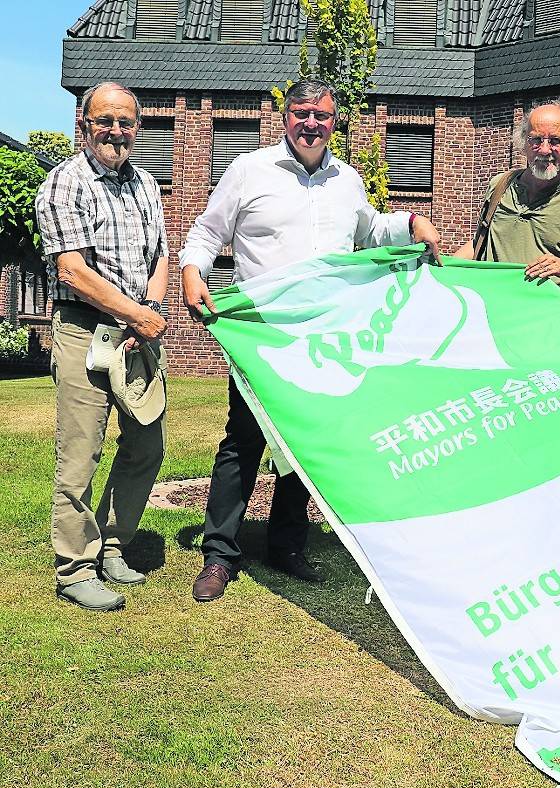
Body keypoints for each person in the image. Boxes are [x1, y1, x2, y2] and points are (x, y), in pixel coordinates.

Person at [180, 78, 442, 601]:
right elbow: (208, 232)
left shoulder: (348, 180)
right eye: (302, 113)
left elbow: (369, 232)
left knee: (306, 441)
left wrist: (412, 221)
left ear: (334, 120)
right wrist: (192, 272)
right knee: (244, 440)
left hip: (324, 337)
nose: (311, 124)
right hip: (263, 337)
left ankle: (287, 547)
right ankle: (219, 554)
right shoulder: (249, 169)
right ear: (286, 116)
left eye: (321, 115)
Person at [35, 82, 169, 611]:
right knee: (80, 454)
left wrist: (147, 311)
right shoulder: (64, 182)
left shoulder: (147, 184)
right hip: (84, 330)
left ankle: (113, 543)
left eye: (125, 122)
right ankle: (74, 568)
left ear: (137, 127)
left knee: (146, 444)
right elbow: (72, 270)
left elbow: (160, 256)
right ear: (85, 125)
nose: (116, 131)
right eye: (104, 121)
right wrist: (135, 313)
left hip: (137, 335)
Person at [454, 103, 560, 289]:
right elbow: (479, 244)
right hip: (491, 303)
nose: (545, 150)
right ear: (524, 142)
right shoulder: (499, 186)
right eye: (536, 140)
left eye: (555, 141)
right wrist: (442, 270)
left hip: (543, 307)